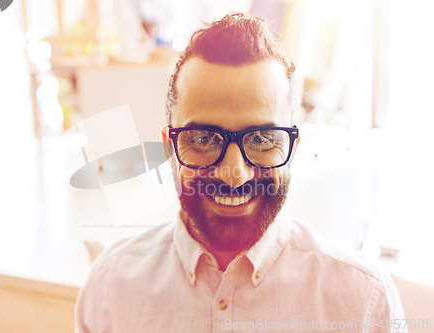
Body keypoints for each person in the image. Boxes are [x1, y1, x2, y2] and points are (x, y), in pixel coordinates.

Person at [75, 12, 405, 333]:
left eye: (262, 139)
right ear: (169, 149)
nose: (235, 175)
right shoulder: (109, 287)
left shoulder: (364, 303)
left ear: (292, 150)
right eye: (203, 138)